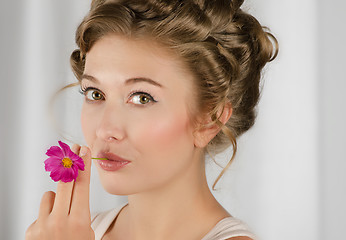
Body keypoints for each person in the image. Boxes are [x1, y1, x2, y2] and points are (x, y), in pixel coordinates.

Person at [25, 0, 278, 239]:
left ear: (209, 120)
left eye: (142, 98)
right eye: (95, 93)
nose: (105, 130)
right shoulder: (77, 232)